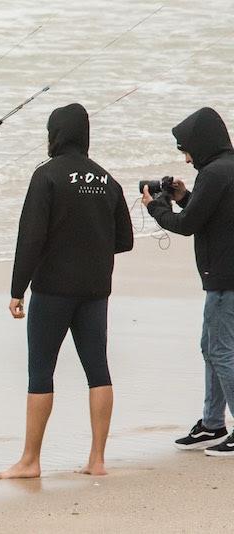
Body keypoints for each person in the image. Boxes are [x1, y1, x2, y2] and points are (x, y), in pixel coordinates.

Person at [0, 103, 133, 479]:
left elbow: (31, 238)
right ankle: (97, 460)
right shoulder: (108, 180)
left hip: (53, 289)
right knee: (98, 369)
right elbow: (124, 240)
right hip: (95, 289)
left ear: (55, 134)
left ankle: (30, 461)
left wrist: (16, 290)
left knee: (41, 372)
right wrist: (90, 246)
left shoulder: (47, 176)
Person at [143, 107, 234, 456]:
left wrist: (156, 208)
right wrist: (182, 197)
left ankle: (216, 423)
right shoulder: (225, 169)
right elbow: (213, 213)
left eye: (186, 149)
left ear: (201, 143)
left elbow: (187, 225)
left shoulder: (214, 173)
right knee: (212, 348)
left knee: (220, 351)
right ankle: (213, 424)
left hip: (224, 279)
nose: (186, 158)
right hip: (225, 276)